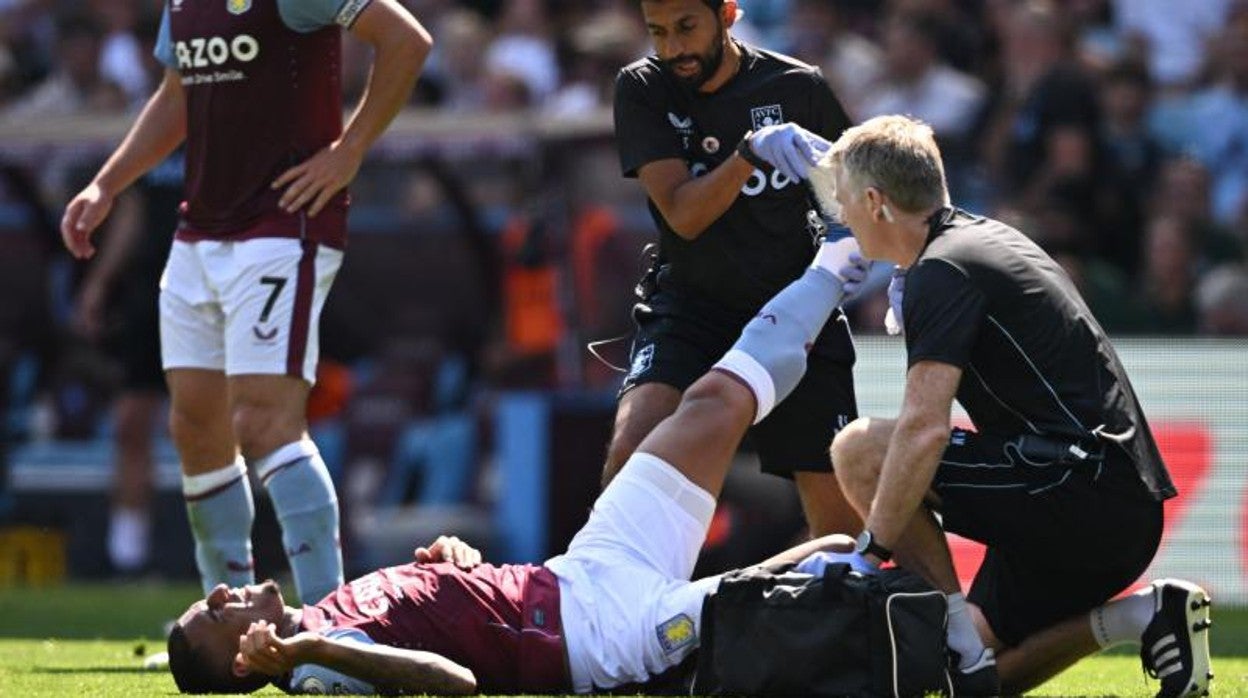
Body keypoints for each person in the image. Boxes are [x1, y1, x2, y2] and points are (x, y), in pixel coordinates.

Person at [166, 214, 873, 694]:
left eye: (210, 597)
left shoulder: (321, 617)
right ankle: (930, 609)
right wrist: (309, 652)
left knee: (712, 403)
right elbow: (457, 684)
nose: (221, 591)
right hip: (603, 641)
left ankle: (842, 255)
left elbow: (440, 623)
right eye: (215, 613)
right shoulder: (321, 675)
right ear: (241, 658)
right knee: (816, 559)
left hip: (580, 572)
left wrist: (454, 577)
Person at [811, 115, 1212, 697]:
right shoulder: (984, 239)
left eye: (843, 201)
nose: (840, 215)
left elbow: (923, 433)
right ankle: (1144, 616)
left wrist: (869, 554)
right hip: (1113, 503)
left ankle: (952, 627)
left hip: (1079, 489)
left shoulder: (941, 268)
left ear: (875, 203)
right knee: (967, 683)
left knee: (860, 449)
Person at [60, 0, 432, 603]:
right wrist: (107, 183)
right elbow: (176, 96)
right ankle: (227, 615)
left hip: (284, 224)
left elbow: (408, 40)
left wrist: (350, 149)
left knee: (263, 422)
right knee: (195, 429)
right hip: (199, 230)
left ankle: (331, 618)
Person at [607, 0, 860, 537]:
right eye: (658, 32)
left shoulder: (799, 87)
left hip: (793, 311)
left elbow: (858, 194)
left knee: (837, 518)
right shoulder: (642, 87)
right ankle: (602, 613)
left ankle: (898, 612)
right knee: (630, 453)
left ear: (727, 14)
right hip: (691, 304)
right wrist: (749, 153)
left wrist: (861, 254)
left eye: (686, 28)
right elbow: (684, 215)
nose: (673, 48)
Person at [70, 150, 183, 575]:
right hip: (149, 299)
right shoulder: (149, 135)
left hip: (213, 292)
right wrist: (99, 284)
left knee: (213, 425)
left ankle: (225, 559)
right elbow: (131, 214)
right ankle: (128, 557)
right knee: (131, 423)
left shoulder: (228, 114)